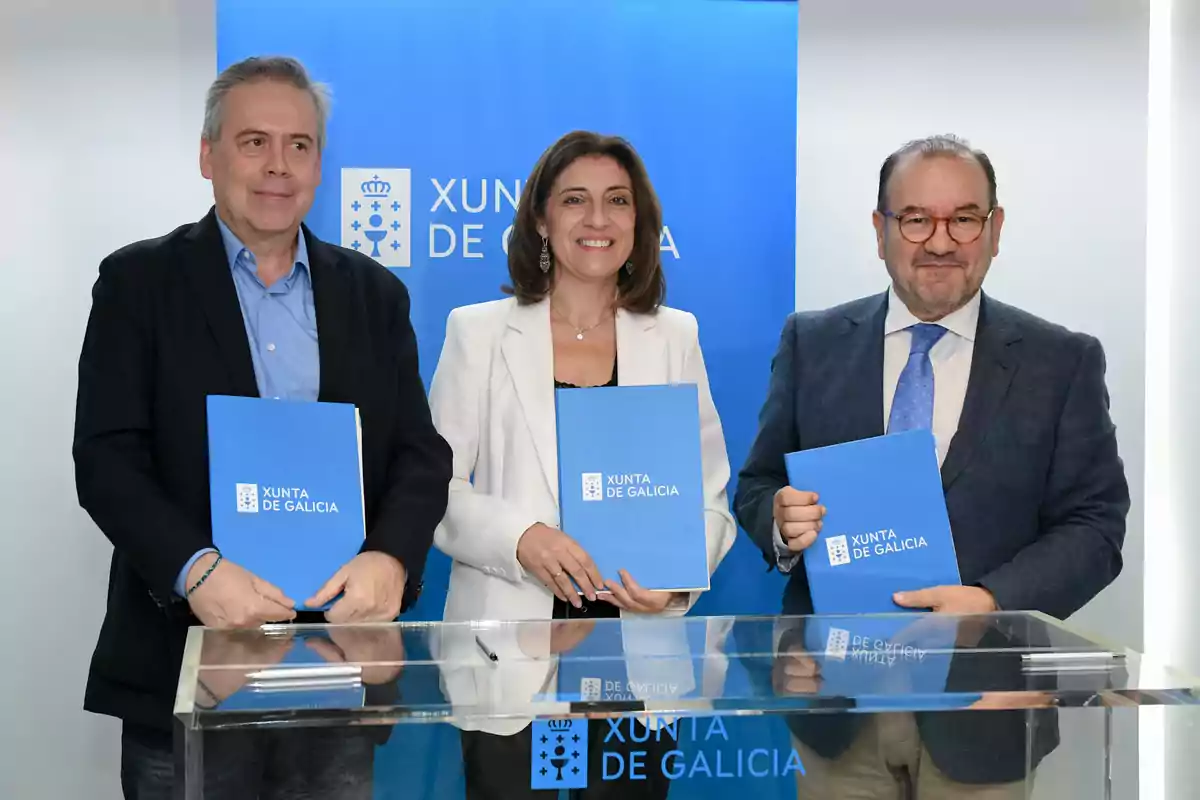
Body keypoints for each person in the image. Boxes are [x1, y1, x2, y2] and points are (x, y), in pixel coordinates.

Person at [72, 55, 452, 798]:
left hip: (335, 669)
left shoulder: (375, 294)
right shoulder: (137, 283)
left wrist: (391, 560)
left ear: (319, 162)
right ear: (208, 155)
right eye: (254, 142)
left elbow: (418, 453)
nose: (279, 166)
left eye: (300, 145)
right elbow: (107, 458)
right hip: (185, 669)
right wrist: (198, 571)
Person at [734, 134, 1130, 795]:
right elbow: (758, 485)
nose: (940, 241)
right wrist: (779, 518)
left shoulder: (1061, 362)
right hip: (836, 708)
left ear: (995, 229)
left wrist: (992, 602)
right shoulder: (813, 342)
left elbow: (1095, 528)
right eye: (916, 219)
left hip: (987, 709)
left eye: (963, 218)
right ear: (881, 230)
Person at [427, 130, 737, 798]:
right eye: (575, 200)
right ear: (541, 218)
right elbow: (432, 489)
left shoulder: (675, 337)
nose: (597, 220)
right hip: (512, 652)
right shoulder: (477, 333)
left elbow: (712, 499)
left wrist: (677, 582)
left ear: (639, 222)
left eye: (617, 201)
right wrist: (521, 540)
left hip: (638, 655)